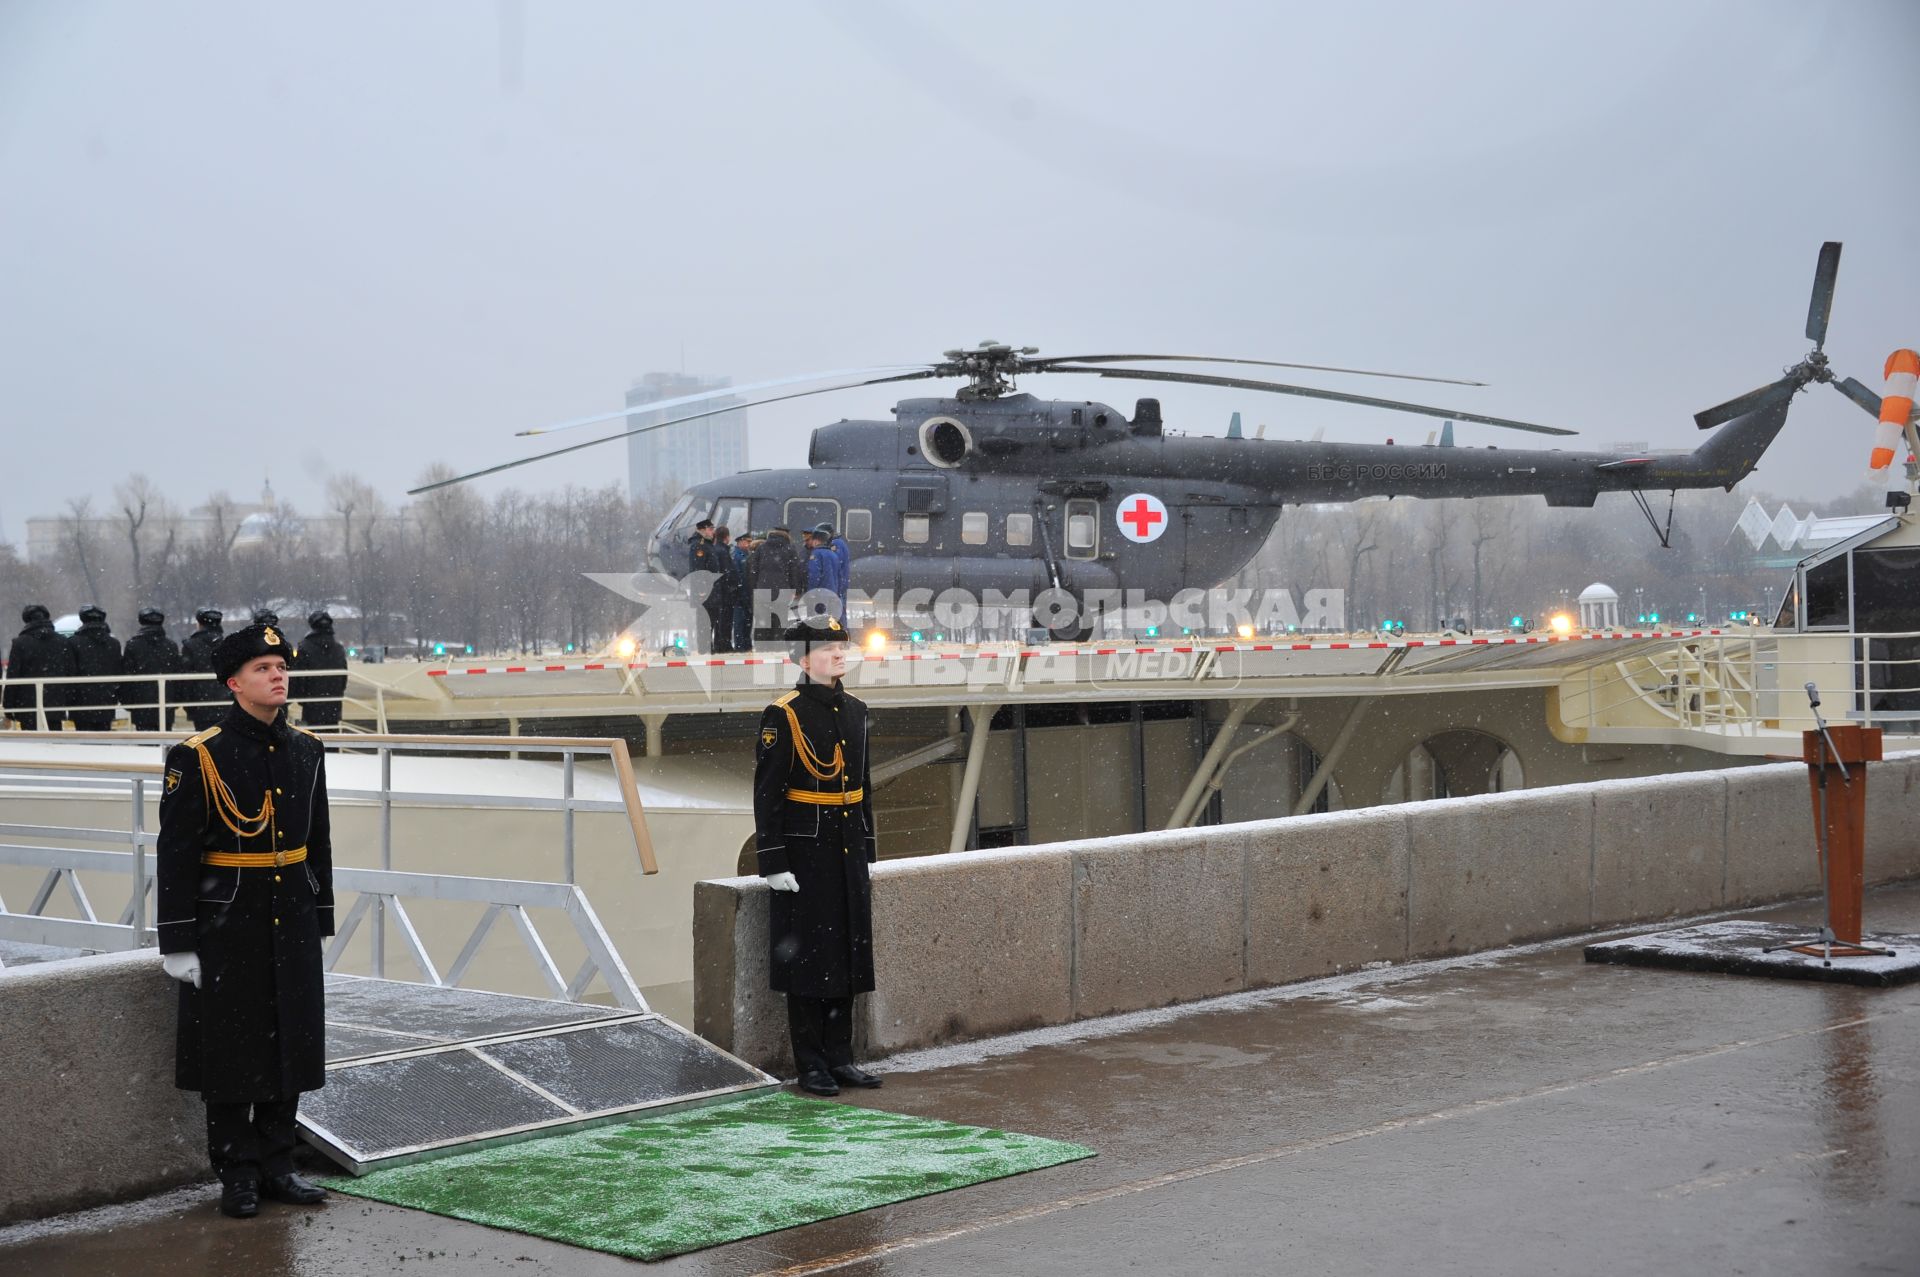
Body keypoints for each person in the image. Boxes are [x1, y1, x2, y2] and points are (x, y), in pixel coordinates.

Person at [156, 622, 333, 1219]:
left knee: (292, 1043)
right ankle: (237, 1174)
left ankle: (281, 1164)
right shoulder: (198, 755)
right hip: (229, 919)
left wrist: (321, 913)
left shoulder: (307, 748)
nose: (277, 675)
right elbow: (177, 853)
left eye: (281, 666)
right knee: (232, 1051)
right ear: (233, 683)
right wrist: (178, 940)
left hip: (292, 914)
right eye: (262, 668)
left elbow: (318, 840)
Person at [753, 615, 882, 1096]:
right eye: (830, 650)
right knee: (808, 960)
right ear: (805, 659)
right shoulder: (783, 714)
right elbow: (767, 794)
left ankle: (841, 1057)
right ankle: (811, 1065)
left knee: (846, 955)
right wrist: (774, 861)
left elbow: (863, 786)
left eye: (842, 648)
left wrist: (866, 849)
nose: (840, 655)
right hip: (806, 853)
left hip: (845, 849)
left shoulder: (856, 710)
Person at [4, 603, 76, 730]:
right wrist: (70, 700)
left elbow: (13, 676)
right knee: (55, 740)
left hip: (27, 705)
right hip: (55, 704)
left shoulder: (20, 643)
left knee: (31, 742)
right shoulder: (62, 642)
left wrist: (9, 706)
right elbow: (71, 673)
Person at [121, 607, 185, 732]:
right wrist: (175, 701)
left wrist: (128, 703)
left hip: (141, 703)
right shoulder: (171, 646)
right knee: (165, 741)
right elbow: (178, 675)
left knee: (145, 743)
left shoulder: (133, 645)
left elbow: (127, 676)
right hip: (167, 702)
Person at [66, 605, 124, 731]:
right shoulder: (114, 644)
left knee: (85, 740)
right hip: (106, 700)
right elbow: (118, 671)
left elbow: (69, 672)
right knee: (104, 737)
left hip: (80, 702)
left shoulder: (72, 643)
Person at [292, 610, 350, 728]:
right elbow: (343, 678)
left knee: (314, 741)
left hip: (311, 706)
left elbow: (299, 679)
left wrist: (302, 700)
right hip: (334, 704)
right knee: (333, 738)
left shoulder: (305, 647)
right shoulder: (338, 648)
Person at [750, 527, 803, 640]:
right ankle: (778, 647)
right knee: (779, 620)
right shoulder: (790, 549)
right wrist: (797, 590)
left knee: (762, 622)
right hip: (782, 590)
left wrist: (755, 588)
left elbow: (754, 570)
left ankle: (762, 648)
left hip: (763, 590)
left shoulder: (761, 548)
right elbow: (795, 571)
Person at [686, 518, 729, 653]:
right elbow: (698, 569)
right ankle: (704, 650)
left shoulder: (708, 545)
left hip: (712, 592)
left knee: (712, 622)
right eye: (710, 529)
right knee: (705, 624)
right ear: (702, 530)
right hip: (705, 593)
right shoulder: (699, 545)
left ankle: (709, 649)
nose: (712, 532)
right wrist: (701, 590)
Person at [180, 609, 226, 731]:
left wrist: (189, 706)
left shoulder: (190, 646)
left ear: (200, 624)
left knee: (203, 742)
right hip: (226, 704)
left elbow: (186, 680)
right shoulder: (228, 644)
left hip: (200, 704)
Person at [803, 528, 846, 624]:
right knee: (830, 623)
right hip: (833, 595)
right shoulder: (834, 555)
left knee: (816, 623)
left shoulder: (816, 554)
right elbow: (839, 577)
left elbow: (814, 575)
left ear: (816, 541)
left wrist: (810, 593)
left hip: (819, 596)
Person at [711, 525, 738, 654]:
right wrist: (733, 585)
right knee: (725, 621)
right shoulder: (723, 551)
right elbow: (728, 572)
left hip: (718, 591)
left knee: (719, 621)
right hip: (725, 592)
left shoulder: (715, 550)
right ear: (727, 537)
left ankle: (719, 644)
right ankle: (724, 645)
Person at [730, 531, 758, 651]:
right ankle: (740, 646)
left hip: (747, 595)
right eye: (747, 542)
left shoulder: (747, 555)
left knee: (748, 622)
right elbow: (737, 577)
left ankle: (747, 645)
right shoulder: (736, 556)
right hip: (739, 596)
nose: (749, 544)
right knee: (740, 623)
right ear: (740, 542)